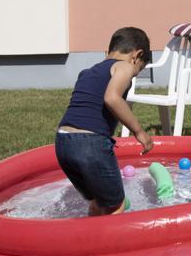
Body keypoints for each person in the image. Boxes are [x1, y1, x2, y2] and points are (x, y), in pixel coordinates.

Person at [55, 27, 153, 216]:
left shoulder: (87, 72)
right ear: (136, 55)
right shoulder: (124, 66)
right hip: (90, 143)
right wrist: (139, 132)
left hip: (63, 142)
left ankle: (89, 240)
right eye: (138, 70)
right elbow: (112, 98)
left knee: (99, 202)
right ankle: (115, 245)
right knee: (116, 204)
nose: (133, 74)